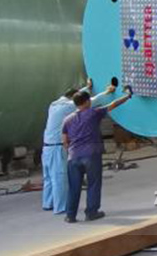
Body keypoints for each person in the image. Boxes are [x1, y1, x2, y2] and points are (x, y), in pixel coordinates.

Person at [41, 80, 114, 214]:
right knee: (59, 178)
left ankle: (48, 203)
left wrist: (87, 87)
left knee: (49, 178)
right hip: (57, 148)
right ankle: (61, 207)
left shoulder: (54, 105)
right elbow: (92, 101)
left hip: (46, 148)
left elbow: (77, 97)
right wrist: (108, 92)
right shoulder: (68, 107)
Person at [62, 85, 132, 223]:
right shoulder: (93, 113)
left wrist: (71, 152)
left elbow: (64, 141)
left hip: (73, 157)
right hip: (91, 154)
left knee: (74, 187)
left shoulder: (67, 119)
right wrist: (127, 96)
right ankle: (91, 212)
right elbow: (113, 105)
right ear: (87, 101)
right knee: (93, 184)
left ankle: (70, 215)